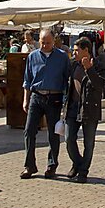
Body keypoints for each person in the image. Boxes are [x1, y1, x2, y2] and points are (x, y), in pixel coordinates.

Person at [21, 30, 71, 179]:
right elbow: (27, 80)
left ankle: (52, 165)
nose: (45, 45)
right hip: (36, 96)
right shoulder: (33, 56)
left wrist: (65, 100)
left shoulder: (62, 57)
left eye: (48, 43)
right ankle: (29, 166)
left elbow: (67, 79)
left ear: (54, 41)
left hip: (54, 97)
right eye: (43, 42)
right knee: (29, 131)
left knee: (53, 133)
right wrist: (26, 99)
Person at [62, 37, 104, 183]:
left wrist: (89, 69)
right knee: (68, 139)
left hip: (89, 108)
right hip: (73, 107)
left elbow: (100, 86)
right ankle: (78, 163)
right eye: (73, 50)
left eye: (77, 50)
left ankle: (83, 172)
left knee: (89, 143)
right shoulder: (73, 65)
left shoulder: (98, 64)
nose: (74, 53)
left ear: (86, 50)